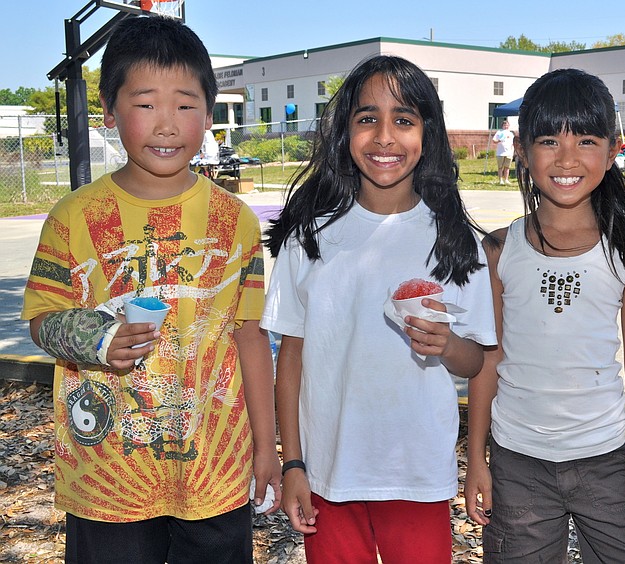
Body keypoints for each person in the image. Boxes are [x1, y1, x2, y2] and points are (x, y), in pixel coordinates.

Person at [20, 15, 280, 563]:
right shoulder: (74, 219)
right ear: (110, 112)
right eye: (145, 103)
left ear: (209, 115)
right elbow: (43, 318)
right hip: (107, 479)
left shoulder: (237, 223)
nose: (167, 123)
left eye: (185, 104)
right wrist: (96, 338)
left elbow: (250, 336)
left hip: (215, 472)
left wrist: (267, 448)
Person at [261, 55, 497, 563]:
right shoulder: (309, 238)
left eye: (404, 120)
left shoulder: (455, 241)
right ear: (344, 131)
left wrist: (448, 344)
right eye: (368, 118)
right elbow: (292, 362)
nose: (385, 136)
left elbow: (476, 361)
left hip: (416, 473)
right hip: (328, 473)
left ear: (427, 134)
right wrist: (293, 463)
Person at [464, 68, 625, 562]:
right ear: (520, 149)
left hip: (607, 460)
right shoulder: (498, 249)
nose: (566, 158)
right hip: (517, 465)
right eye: (547, 140)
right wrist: (477, 460)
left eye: (585, 139)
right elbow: (487, 361)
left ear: (612, 149)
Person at [493, 119, 515, 185]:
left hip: (509, 153)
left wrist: (513, 151)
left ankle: (506, 179)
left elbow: (513, 143)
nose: (506, 126)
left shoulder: (511, 133)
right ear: (502, 126)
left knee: (507, 167)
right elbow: (494, 140)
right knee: (500, 167)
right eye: (505, 125)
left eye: (507, 125)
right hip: (500, 153)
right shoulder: (499, 132)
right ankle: (500, 180)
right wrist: (498, 141)